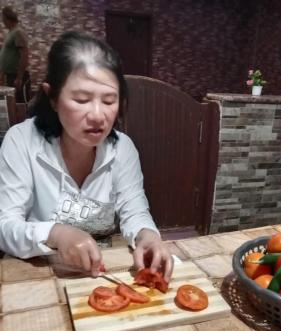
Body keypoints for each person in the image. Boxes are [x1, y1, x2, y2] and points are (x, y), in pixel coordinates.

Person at [0, 31, 173, 282]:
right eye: (81, 99)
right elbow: (4, 226)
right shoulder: (22, 141)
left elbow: (134, 211)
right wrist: (57, 234)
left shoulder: (122, 148)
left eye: (109, 101)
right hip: (35, 272)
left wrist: (148, 235)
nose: (97, 115)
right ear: (52, 97)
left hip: (99, 273)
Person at [0, 6, 30, 102]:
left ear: (8, 18)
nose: (2, 21)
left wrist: (19, 77)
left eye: (3, 18)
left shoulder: (18, 32)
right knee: (12, 103)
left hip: (16, 76)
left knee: (19, 102)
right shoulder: (10, 33)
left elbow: (24, 54)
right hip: (10, 75)